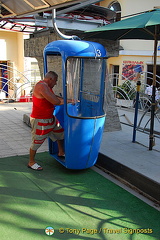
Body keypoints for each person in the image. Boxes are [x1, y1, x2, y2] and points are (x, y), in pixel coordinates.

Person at [28, 71, 71, 171]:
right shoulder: (42, 86)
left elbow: (55, 97)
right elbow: (55, 101)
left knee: (60, 133)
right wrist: (69, 102)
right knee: (37, 141)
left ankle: (61, 152)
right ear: (50, 79)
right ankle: (31, 162)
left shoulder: (47, 87)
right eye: (55, 80)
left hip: (50, 118)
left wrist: (70, 100)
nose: (56, 83)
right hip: (40, 120)